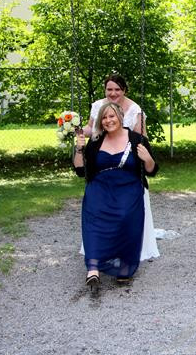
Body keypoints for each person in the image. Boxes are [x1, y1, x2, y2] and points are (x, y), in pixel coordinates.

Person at [74, 102, 159, 287]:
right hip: (100, 188)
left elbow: (152, 170)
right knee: (94, 219)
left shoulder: (137, 139)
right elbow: (80, 170)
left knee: (126, 218)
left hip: (128, 187)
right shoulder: (96, 141)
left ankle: (124, 265)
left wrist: (147, 158)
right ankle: (93, 269)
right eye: (104, 117)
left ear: (120, 116)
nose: (108, 120)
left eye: (111, 116)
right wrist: (79, 149)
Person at [80, 74, 159, 261]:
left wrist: (140, 155)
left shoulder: (135, 109)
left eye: (117, 89)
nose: (113, 93)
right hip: (103, 160)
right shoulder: (98, 106)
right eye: (109, 89)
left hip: (127, 165)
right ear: (105, 90)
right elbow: (91, 129)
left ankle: (132, 248)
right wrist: (76, 130)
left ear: (124, 90)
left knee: (126, 207)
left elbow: (141, 138)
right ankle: (99, 246)